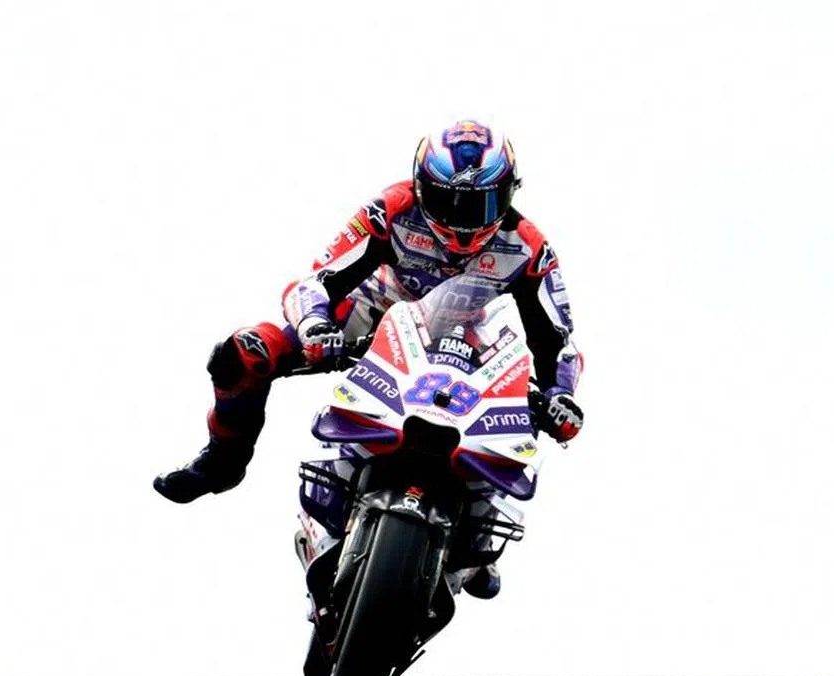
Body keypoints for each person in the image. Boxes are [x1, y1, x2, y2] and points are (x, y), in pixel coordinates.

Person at [153, 119, 584, 598]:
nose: (463, 222)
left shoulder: (530, 246)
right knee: (242, 354)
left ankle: (477, 545)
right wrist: (316, 325)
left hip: (471, 342)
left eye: (480, 204)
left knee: (529, 419)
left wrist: (561, 395)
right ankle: (223, 461)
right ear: (421, 188)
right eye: (447, 201)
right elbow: (319, 279)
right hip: (375, 315)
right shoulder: (389, 210)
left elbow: (558, 339)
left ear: (508, 193)